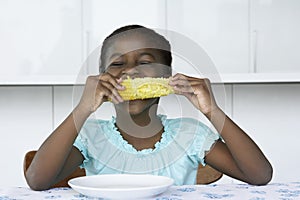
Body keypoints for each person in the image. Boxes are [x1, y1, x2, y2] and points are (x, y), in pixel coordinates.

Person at [25, 25, 272, 190]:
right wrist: (82, 109)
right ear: (101, 79)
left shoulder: (189, 134)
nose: (131, 71)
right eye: (118, 63)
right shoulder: (92, 136)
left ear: (169, 77)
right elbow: (37, 181)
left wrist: (212, 111)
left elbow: (259, 176)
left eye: (145, 62)